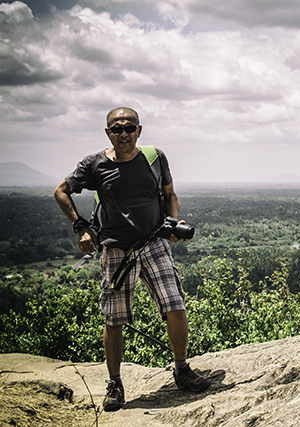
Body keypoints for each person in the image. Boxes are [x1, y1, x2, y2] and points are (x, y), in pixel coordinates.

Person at [54, 107, 210, 412]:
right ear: (108, 133)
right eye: (116, 129)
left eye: (129, 128)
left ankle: (181, 369)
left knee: (175, 305)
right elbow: (61, 192)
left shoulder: (155, 158)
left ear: (139, 130)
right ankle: (114, 383)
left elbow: (170, 195)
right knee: (114, 318)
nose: (123, 133)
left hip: (153, 243)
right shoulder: (94, 164)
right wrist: (81, 227)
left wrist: (172, 224)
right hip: (115, 250)